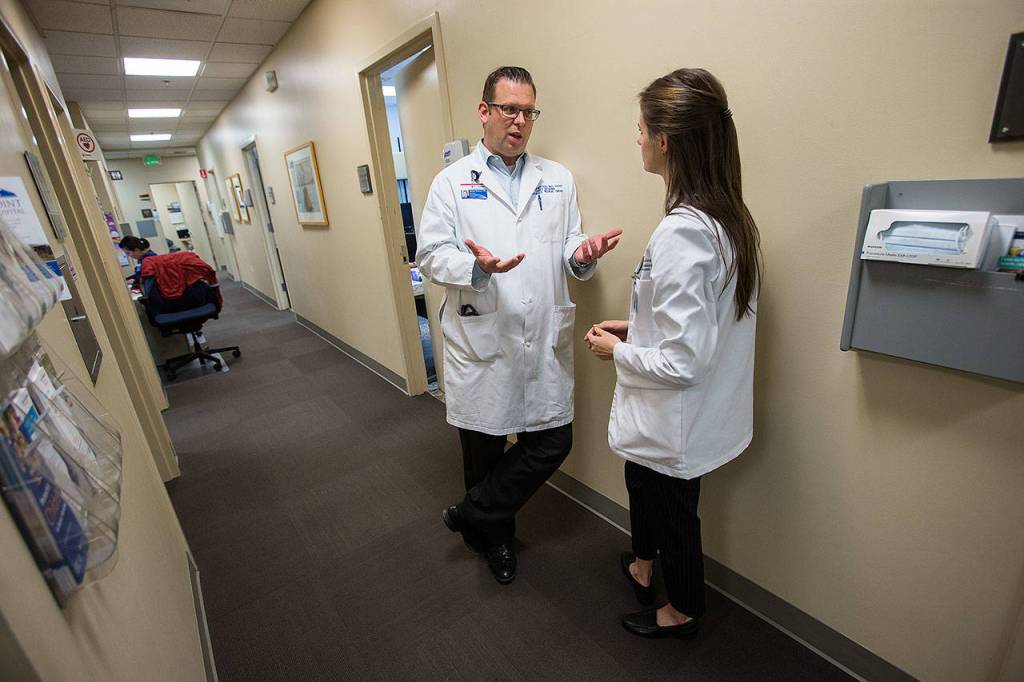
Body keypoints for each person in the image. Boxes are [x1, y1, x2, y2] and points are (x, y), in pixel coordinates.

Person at [416, 66, 622, 584]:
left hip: (541, 335)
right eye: (509, 109)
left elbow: (569, 250)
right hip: (479, 335)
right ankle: (497, 541)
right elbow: (430, 257)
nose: (519, 120)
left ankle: (472, 514)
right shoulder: (452, 183)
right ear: (484, 111)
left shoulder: (557, 178)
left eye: (528, 111)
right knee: (483, 450)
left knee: (553, 440)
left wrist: (584, 255)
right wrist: (476, 268)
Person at [585, 68, 761, 639]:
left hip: (678, 412)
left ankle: (682, 608)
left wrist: (618, 352)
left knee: (675, 510)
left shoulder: (685, 233)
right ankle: (641, 564)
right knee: (643, 481)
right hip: (688, 410)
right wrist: (636, 329)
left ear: (665, 140)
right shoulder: (726, 218)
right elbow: (692, 322)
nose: (635, 138)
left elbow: (685, 360)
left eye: (640, 128)